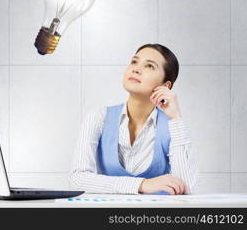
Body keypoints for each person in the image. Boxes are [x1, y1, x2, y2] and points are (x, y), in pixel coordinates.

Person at [69, 43, 199, 195]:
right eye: (134, 61)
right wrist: (142, 185)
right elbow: (78, 178)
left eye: (149, 66)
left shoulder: (171, 125)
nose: (136, 69)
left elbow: (186, 188)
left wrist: (176, 118)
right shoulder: (98, 117)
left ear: (165, 85)